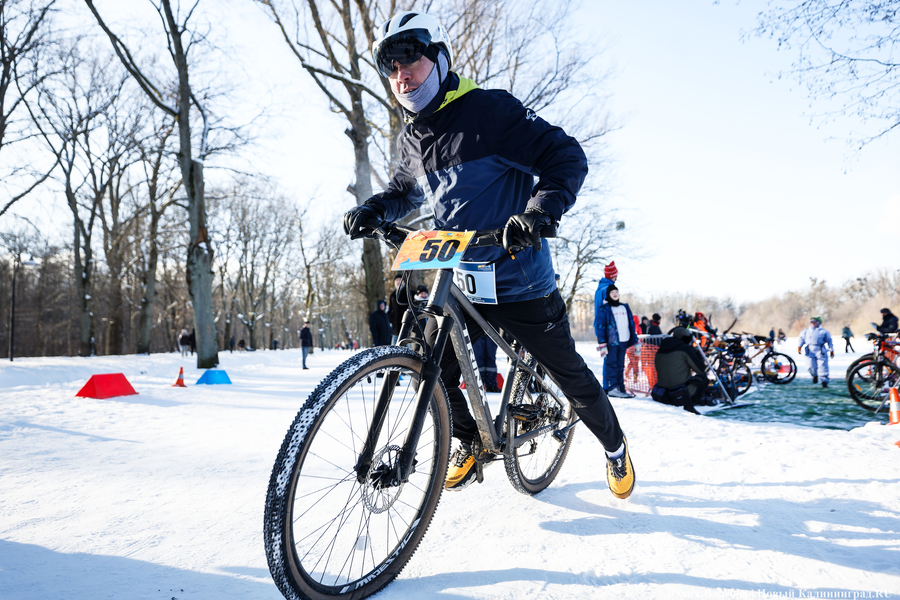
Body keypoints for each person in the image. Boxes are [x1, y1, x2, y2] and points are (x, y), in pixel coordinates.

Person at [343, 11, 633, 499]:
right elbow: (404, 191)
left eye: (410, 57)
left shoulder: (490, 112)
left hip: (519, 277)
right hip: (459, 279)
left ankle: (615, 447)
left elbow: (565, 156)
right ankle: (473, 441)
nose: (401, 74)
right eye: (390, 67)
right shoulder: (411, 137)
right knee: (427, 372)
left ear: (438, 57)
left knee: (571, 375)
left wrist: (540, 212)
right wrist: (376, 208)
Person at [651, 327, 711, 414]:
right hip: (679, 393)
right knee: (703, 379)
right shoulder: (684, 348)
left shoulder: (661, 349)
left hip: (662, 394)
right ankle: (689, 405)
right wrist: (696, 353)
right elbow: (700, 369)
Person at [594, 285, 640, 398]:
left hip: (624, 341)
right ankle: (612, 388)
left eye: (616, 291)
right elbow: (600, 326)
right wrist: (602, 343)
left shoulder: (624, 307)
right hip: (611, 343)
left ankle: (620, 388)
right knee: (611, 365)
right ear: (608, 295)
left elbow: (631, 324)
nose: (615, 294)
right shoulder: (604, 309)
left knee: (621, 366)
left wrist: (635, 339)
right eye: (612, 292)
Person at [798, 316, 834, 387]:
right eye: (812, 322)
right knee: (810, 366)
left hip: (820, 350)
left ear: (819, 323)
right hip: (809, 350)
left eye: (815, 322)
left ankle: (824, 380)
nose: (813, 323)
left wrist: (831, 350)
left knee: (822, 366)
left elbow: (829, 341)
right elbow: (801, 339)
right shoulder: (805, 332)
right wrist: (799, 346)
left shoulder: (824, 332)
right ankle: (814, 375)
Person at [593, 261, 618, 337]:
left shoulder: (599, 289)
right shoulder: (609, 289)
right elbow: (610, 310)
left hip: (599, 326)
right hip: (609, 328)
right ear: (614, 276)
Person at [388, 275, 407, 345]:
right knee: (394, 349)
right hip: (395, 327)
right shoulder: (392, 295)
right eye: (397, 280)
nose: (399, 282)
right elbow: (390, 309)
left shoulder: (409, 293)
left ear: (404, 282)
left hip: (406, 326)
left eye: (400, 280)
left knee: (407, 350)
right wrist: (391, 318)